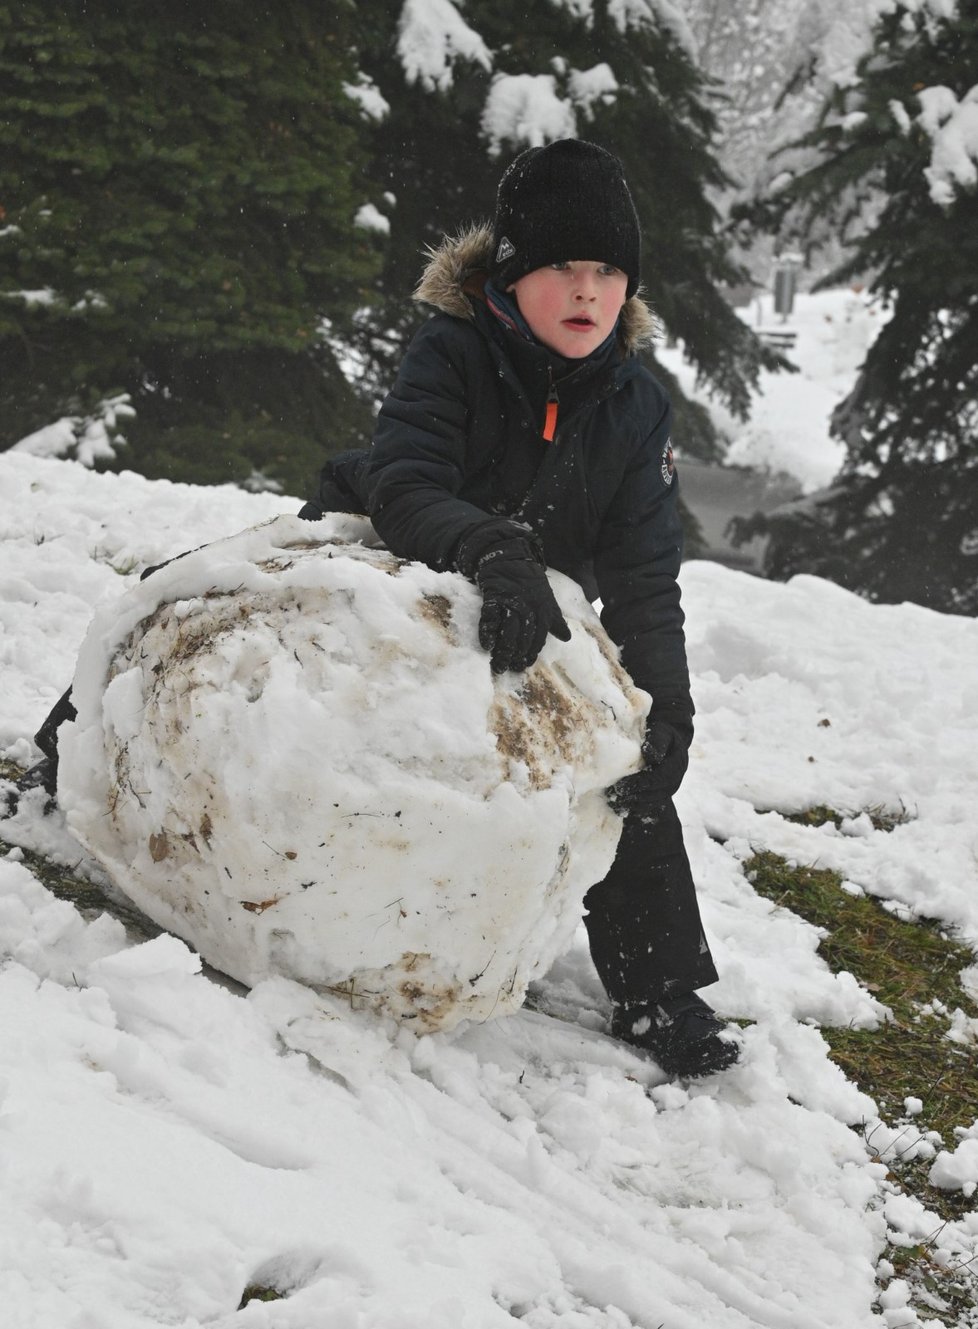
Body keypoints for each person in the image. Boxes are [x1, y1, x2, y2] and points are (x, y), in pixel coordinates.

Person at [298, 139, 739, 1077]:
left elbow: (646, 578)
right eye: (562, 269)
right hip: (397, 556)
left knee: (620, 752)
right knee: (230, 617)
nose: (587, 292)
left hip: (531, 594)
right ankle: (77, 745)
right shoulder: (452, 351)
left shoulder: (634, 408)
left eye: (608, 272)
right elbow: (405, 483)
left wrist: (671, 714)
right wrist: (492, 546)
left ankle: (660, 993)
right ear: (511, 276)